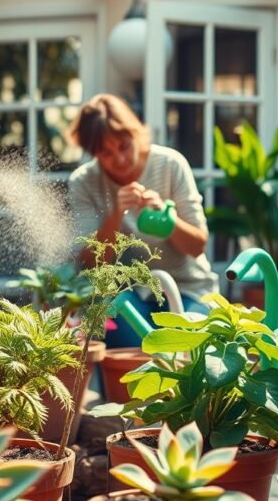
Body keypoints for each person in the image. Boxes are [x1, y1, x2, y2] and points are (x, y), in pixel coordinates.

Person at [67, 93, 218, 347]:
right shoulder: (84, 182)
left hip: (187, 289)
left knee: (179, 344)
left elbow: (197, 246)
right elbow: (91, 264)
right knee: (122, 330)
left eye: (124, 146)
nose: (120, 159)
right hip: (126, 295)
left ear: (135, 134)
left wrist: (166, 218)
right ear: (93, 154)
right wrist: (116, 213)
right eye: (106, 153)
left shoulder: (170, 164)